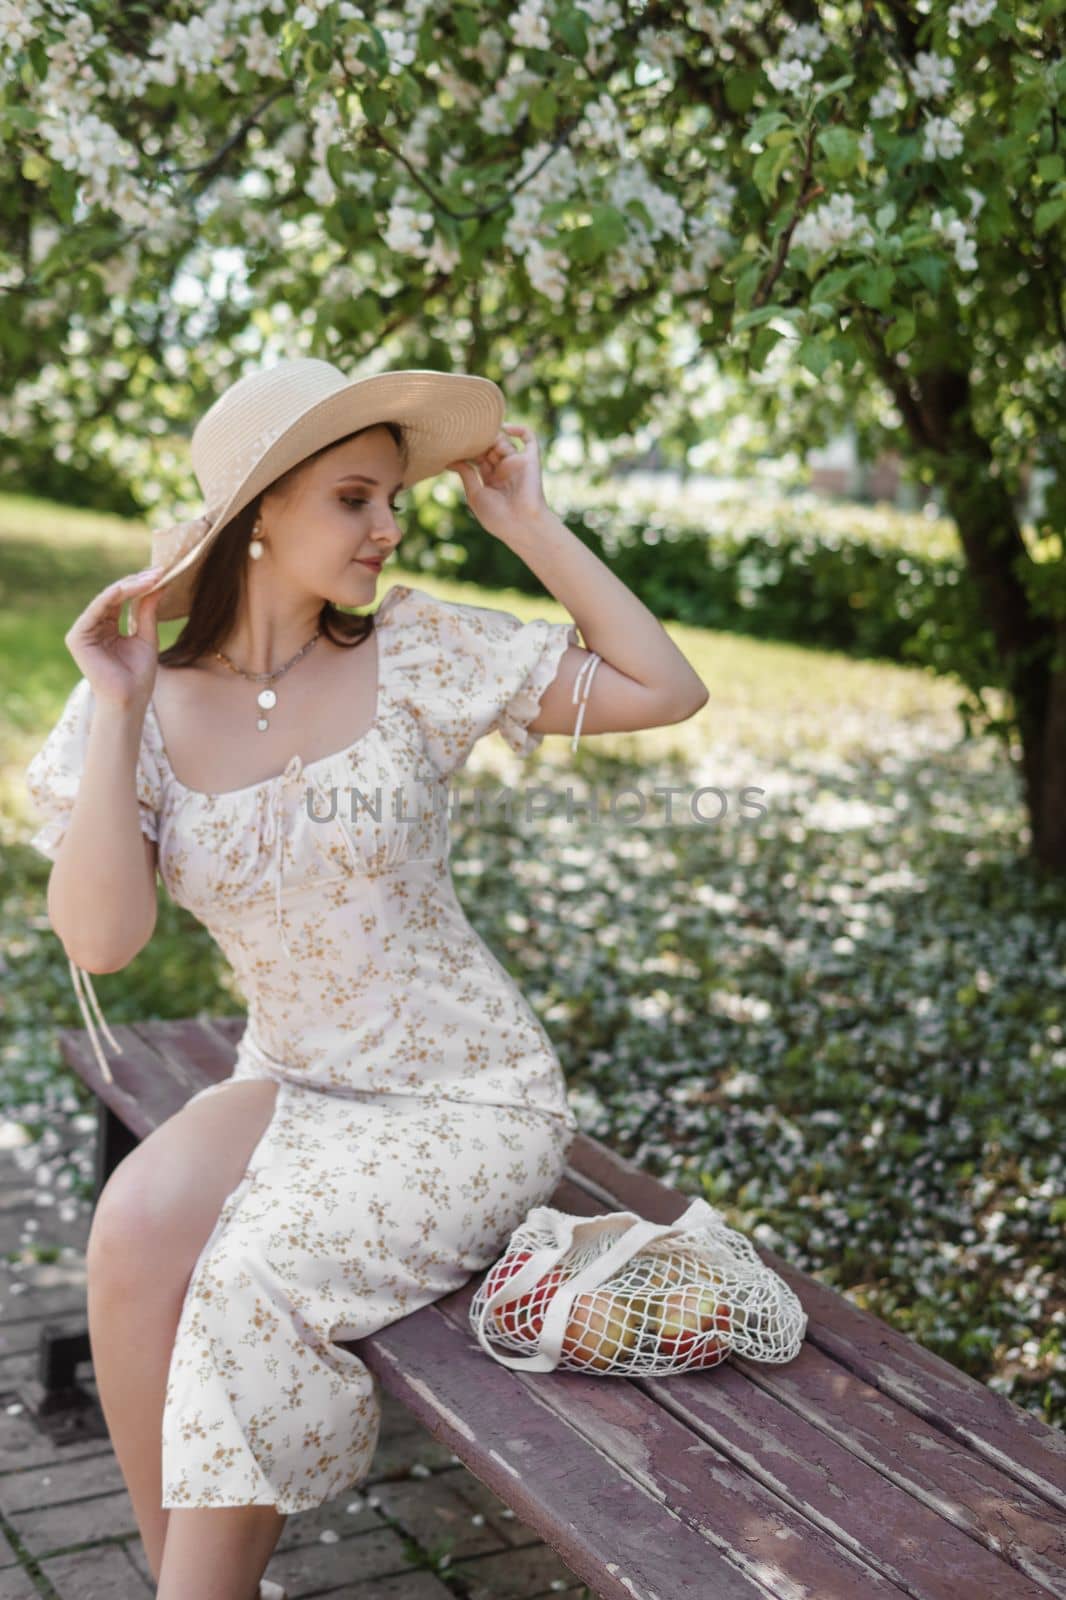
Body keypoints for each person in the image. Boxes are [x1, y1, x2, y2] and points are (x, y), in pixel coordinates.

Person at [23, 357, 709, 1599]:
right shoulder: (140, 700)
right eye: (354, 497)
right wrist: (117, 702)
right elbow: (101, 940)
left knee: (251, 1276)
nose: (388, 526)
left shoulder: (418, 649)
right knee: (131, 1226)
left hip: (466, 1096)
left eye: (394, 498)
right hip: (294, 1075)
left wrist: (530, 522)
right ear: (260, 511)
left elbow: (666, 688)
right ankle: (181, 1580)